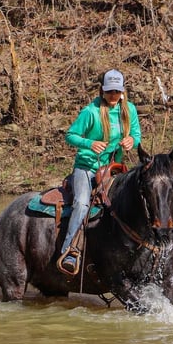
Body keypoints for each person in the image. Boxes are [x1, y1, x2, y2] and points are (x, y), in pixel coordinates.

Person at [57, 69, 142, 275]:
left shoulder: (129, 109)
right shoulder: (90, 111)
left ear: (122, 91)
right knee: (82, 203)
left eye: (117, 91)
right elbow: (70, 135)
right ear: (102, 91)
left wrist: (132, 141)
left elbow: (137, 134)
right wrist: (89, 143)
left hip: (114, 170)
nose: (113, 95)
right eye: (109, 91)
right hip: (87, 168)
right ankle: (69, 250)